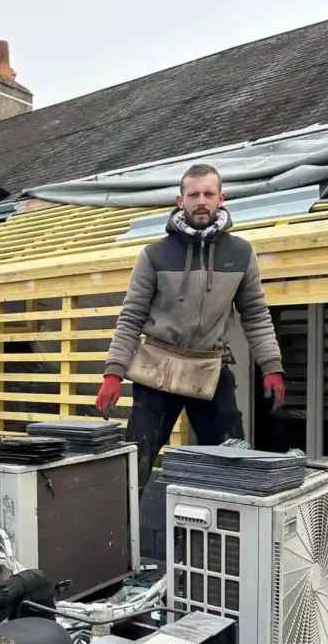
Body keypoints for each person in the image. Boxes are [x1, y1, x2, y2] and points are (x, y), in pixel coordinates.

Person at [95, 163, 285, 490]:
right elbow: (131, 317)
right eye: (193, 194)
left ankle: (225, 534)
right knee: (134, 467)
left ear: (221, 198)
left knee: (232, 463)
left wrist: (272, 366)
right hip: (156, 369)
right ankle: (122, 539)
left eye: (209, 194)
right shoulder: (154, 255)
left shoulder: (240, 253)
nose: (201, 201)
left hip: (208, 367)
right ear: (179, 200)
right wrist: (113, 372)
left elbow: (255, 313)